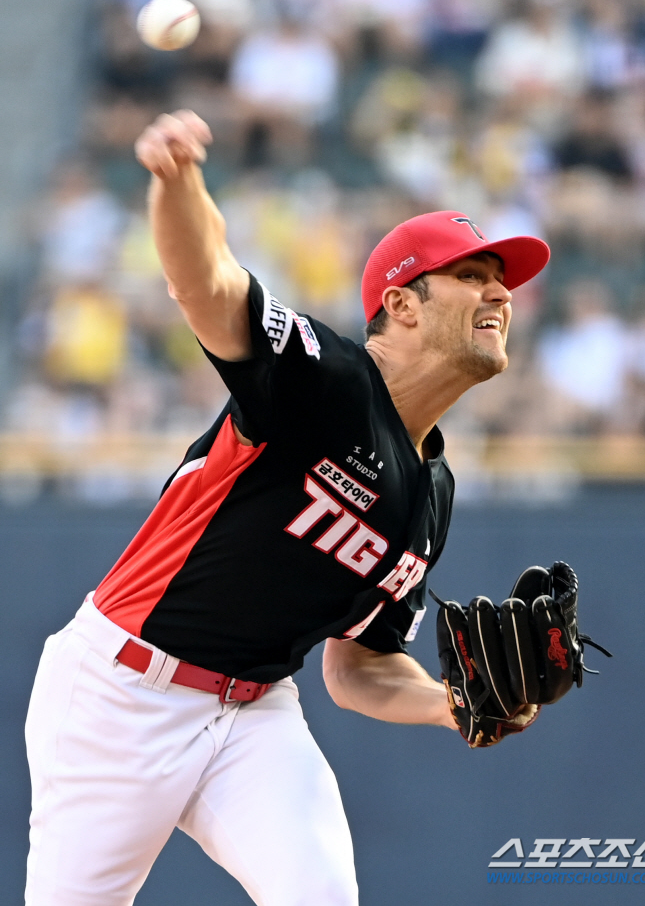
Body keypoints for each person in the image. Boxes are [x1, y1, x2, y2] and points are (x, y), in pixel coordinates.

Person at [24, 110, 550, 906]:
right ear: (403, 303)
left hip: (253, 715)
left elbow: (357, 666)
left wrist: (452, 702)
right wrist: (177, 182)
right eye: (472, 276)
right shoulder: (326, 378)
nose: (498, 292)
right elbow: (207, 283)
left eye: (499, 278)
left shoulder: (432, 492)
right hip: (122, 691)